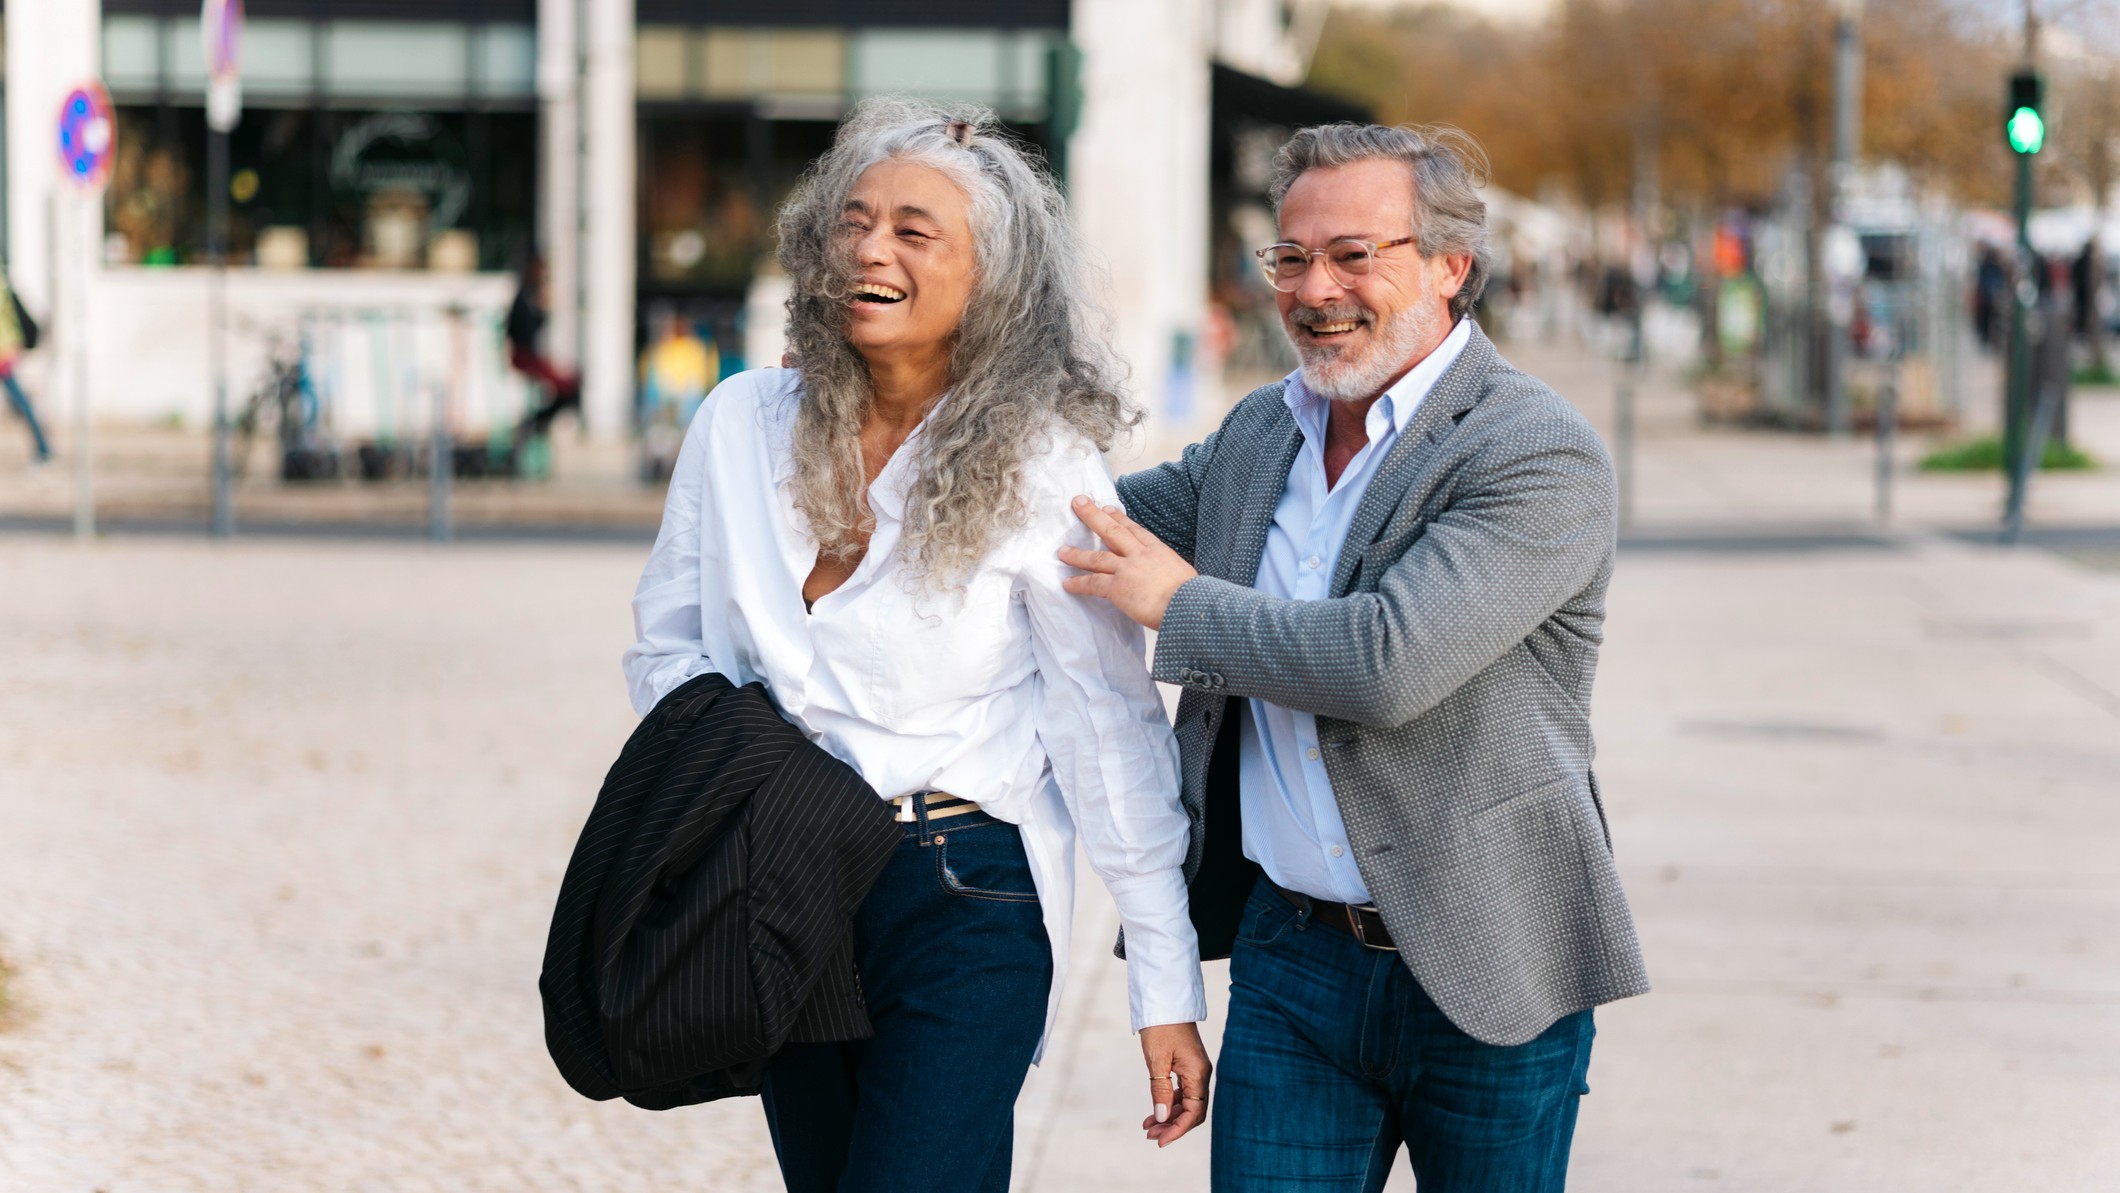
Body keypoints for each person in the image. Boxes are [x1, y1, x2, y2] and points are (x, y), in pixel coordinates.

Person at [620, 98, 1210, 1193]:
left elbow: (1107, 730)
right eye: (852, 222)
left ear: (991, 280)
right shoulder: (737, 424)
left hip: (960, 888)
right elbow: (665, 651)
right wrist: (756, 774)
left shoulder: (1043, 464)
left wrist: (1163, 985)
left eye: (911, 230)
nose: (869, 250)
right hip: (778, 875)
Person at [1059, 123, 1650, 1191]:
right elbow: (1080, 524)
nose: (1313, 288)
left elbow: (1386, 660)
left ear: (1449, 264)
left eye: (1352, 254)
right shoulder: (1260, 432)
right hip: (1292, 962)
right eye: (1290, 257)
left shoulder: (1533, 448)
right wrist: (908, 430)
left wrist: (1176, 604)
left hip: (1491, 961)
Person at [506, 255, 583, 440]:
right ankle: (537, 422)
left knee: (570, 380)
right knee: (568, 384)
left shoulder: (528, 298)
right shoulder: (523, 299)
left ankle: (540, 421)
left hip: (528, 355)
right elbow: (522, 333)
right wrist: (540, 312)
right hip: (524, 357)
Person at [0, 269, 51, 465]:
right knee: (20, 402)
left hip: (3, 352)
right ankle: (43, 447)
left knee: (21, 403)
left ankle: (43, 449)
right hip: (7, 349)